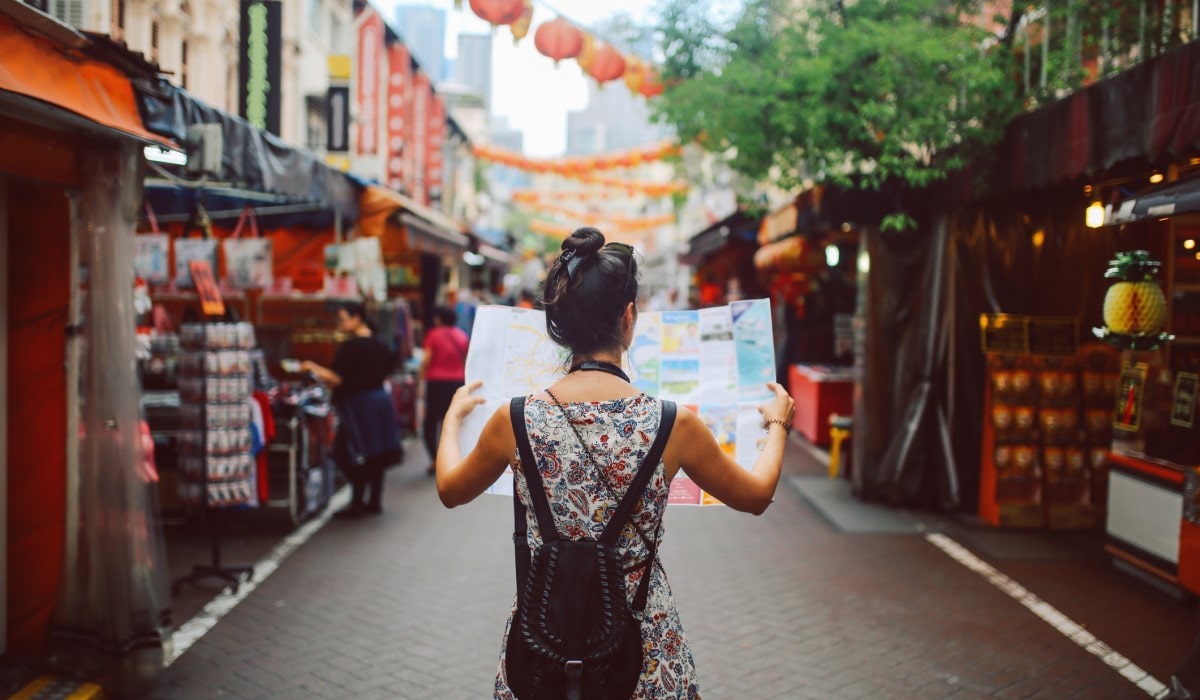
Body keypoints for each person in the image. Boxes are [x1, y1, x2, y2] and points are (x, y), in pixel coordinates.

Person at [433, 227, 795, 697]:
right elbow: (756, 495)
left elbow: (450, 489)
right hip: (641, 650)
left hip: (544, 642)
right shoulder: (673, 424)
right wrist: (778, 426)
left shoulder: (514, 419)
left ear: (558, 322)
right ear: (629, 317)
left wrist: (451, 419)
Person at [302, 301, 402, 517]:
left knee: (345, 452)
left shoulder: (351, 347)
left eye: (343, 318)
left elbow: (337, 379)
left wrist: (312, 367)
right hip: (379, 402)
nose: (340, 323)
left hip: (358, 406)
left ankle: (358, 499)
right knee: (376, 453)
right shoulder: (379, 344)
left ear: (357, 318)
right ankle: (373, 500)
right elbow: (387, 371)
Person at [419, 304, 469, 474]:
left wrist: (420, 382)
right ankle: (451, 459)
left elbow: (426, 360)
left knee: (431, 423)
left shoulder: (433, 335)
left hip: (436, 383)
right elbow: (466, 361)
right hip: (457, 383)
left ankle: (434, 459)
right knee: (453, 421)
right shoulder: (462, 336)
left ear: (439, 318)